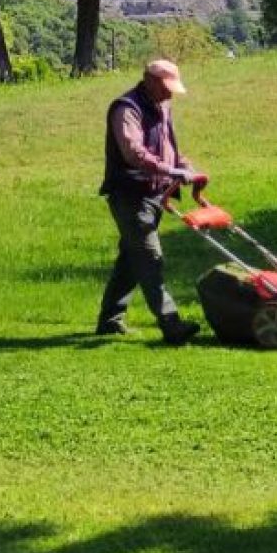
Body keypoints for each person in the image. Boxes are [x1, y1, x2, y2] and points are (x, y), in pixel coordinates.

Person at [96, 60, 205, 344]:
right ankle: (171, 323)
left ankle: (110, 321)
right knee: (150, 258)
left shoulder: (162, 106)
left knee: (132, 260)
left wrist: (185, 166)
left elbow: (167, 147)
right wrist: (170, 171)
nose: (170, 95)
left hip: (155, 194)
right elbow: (134, 153)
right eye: (167, 88)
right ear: (149, 80)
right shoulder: (126, 109)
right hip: (130, 195)